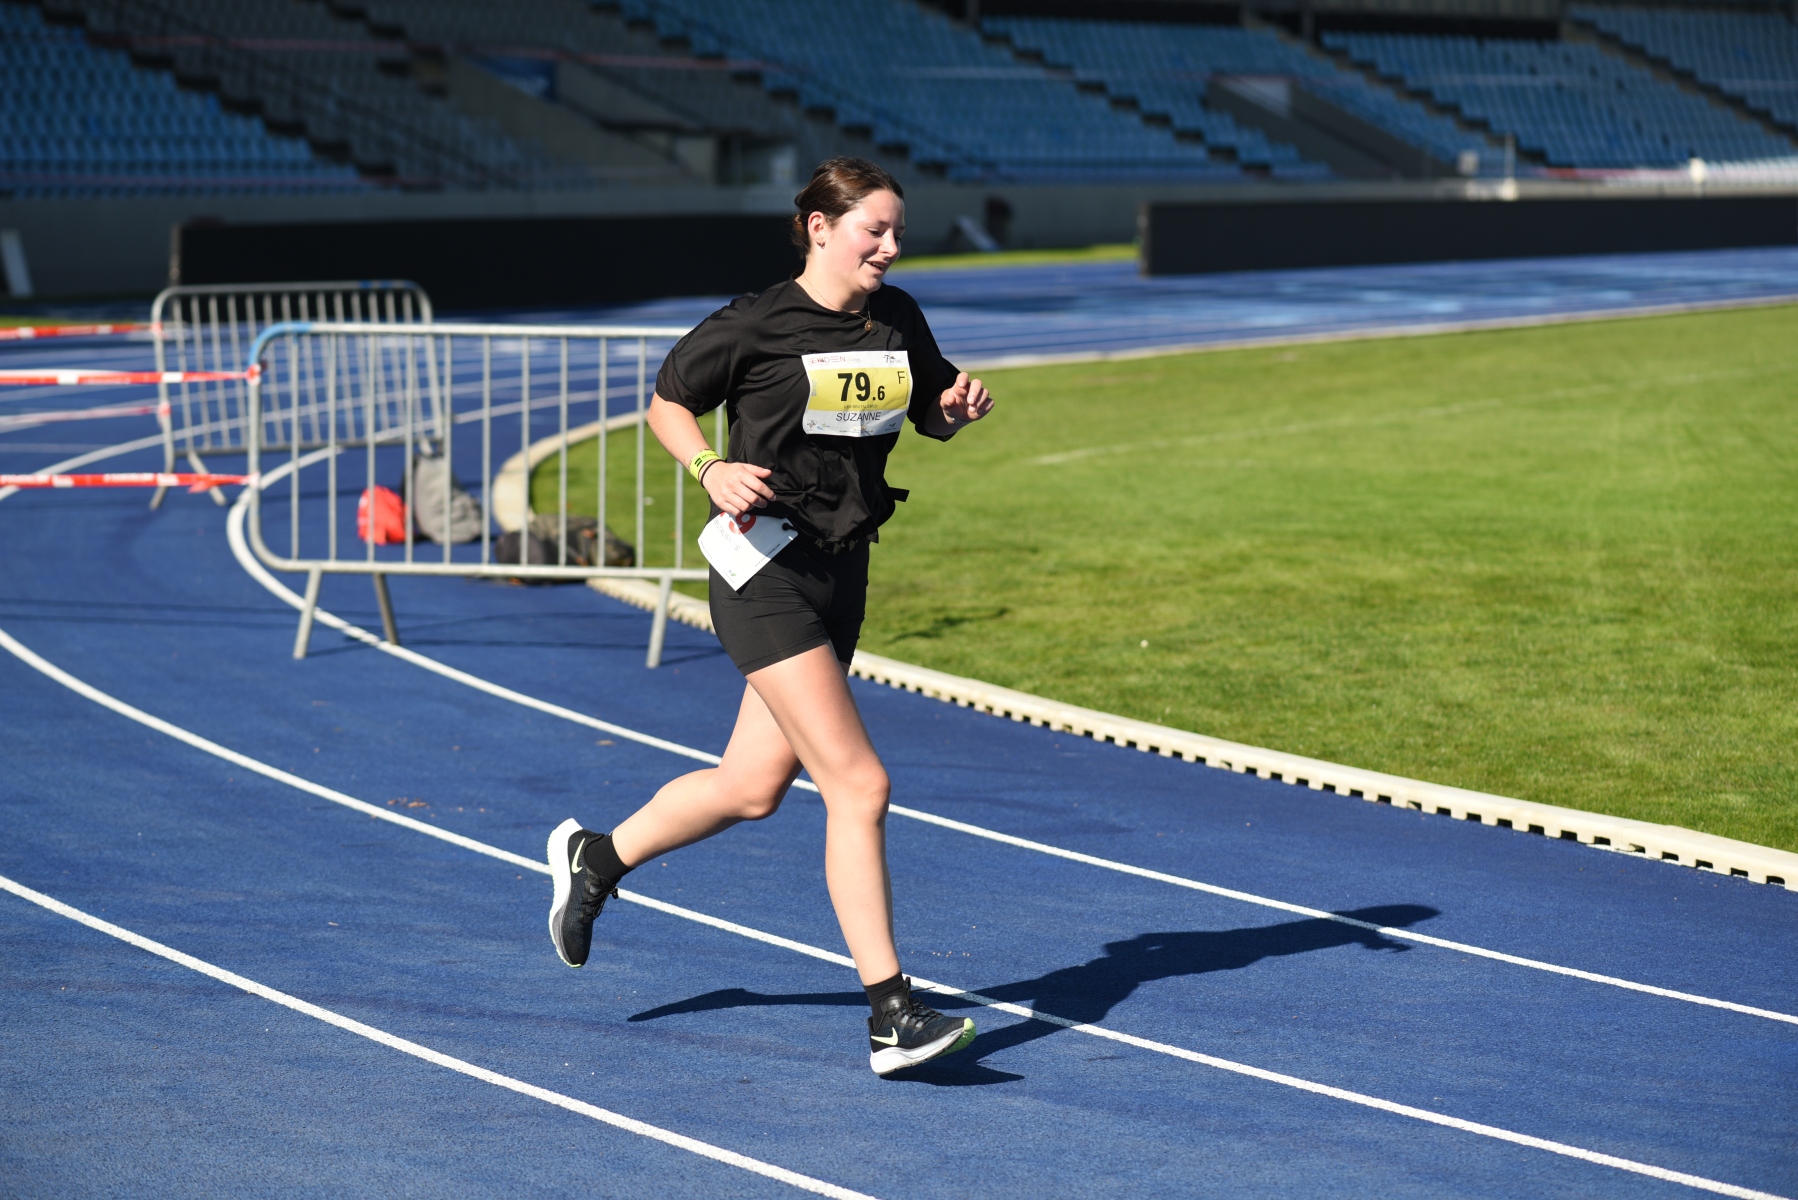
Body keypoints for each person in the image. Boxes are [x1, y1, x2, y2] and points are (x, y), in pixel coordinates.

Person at [546, 157, 995, 1076]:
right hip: (765, 574)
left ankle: (597, 859)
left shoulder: (897, 319)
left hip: (844, 571)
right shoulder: (755, 323)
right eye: (874, 229)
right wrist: (710, 468)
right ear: (819, 228)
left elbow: (930, 411)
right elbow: (667, 404)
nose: (890, 246)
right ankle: (891, 1014)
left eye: (897, 232)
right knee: (858, 785)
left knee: (751, 788)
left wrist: (956, 409)